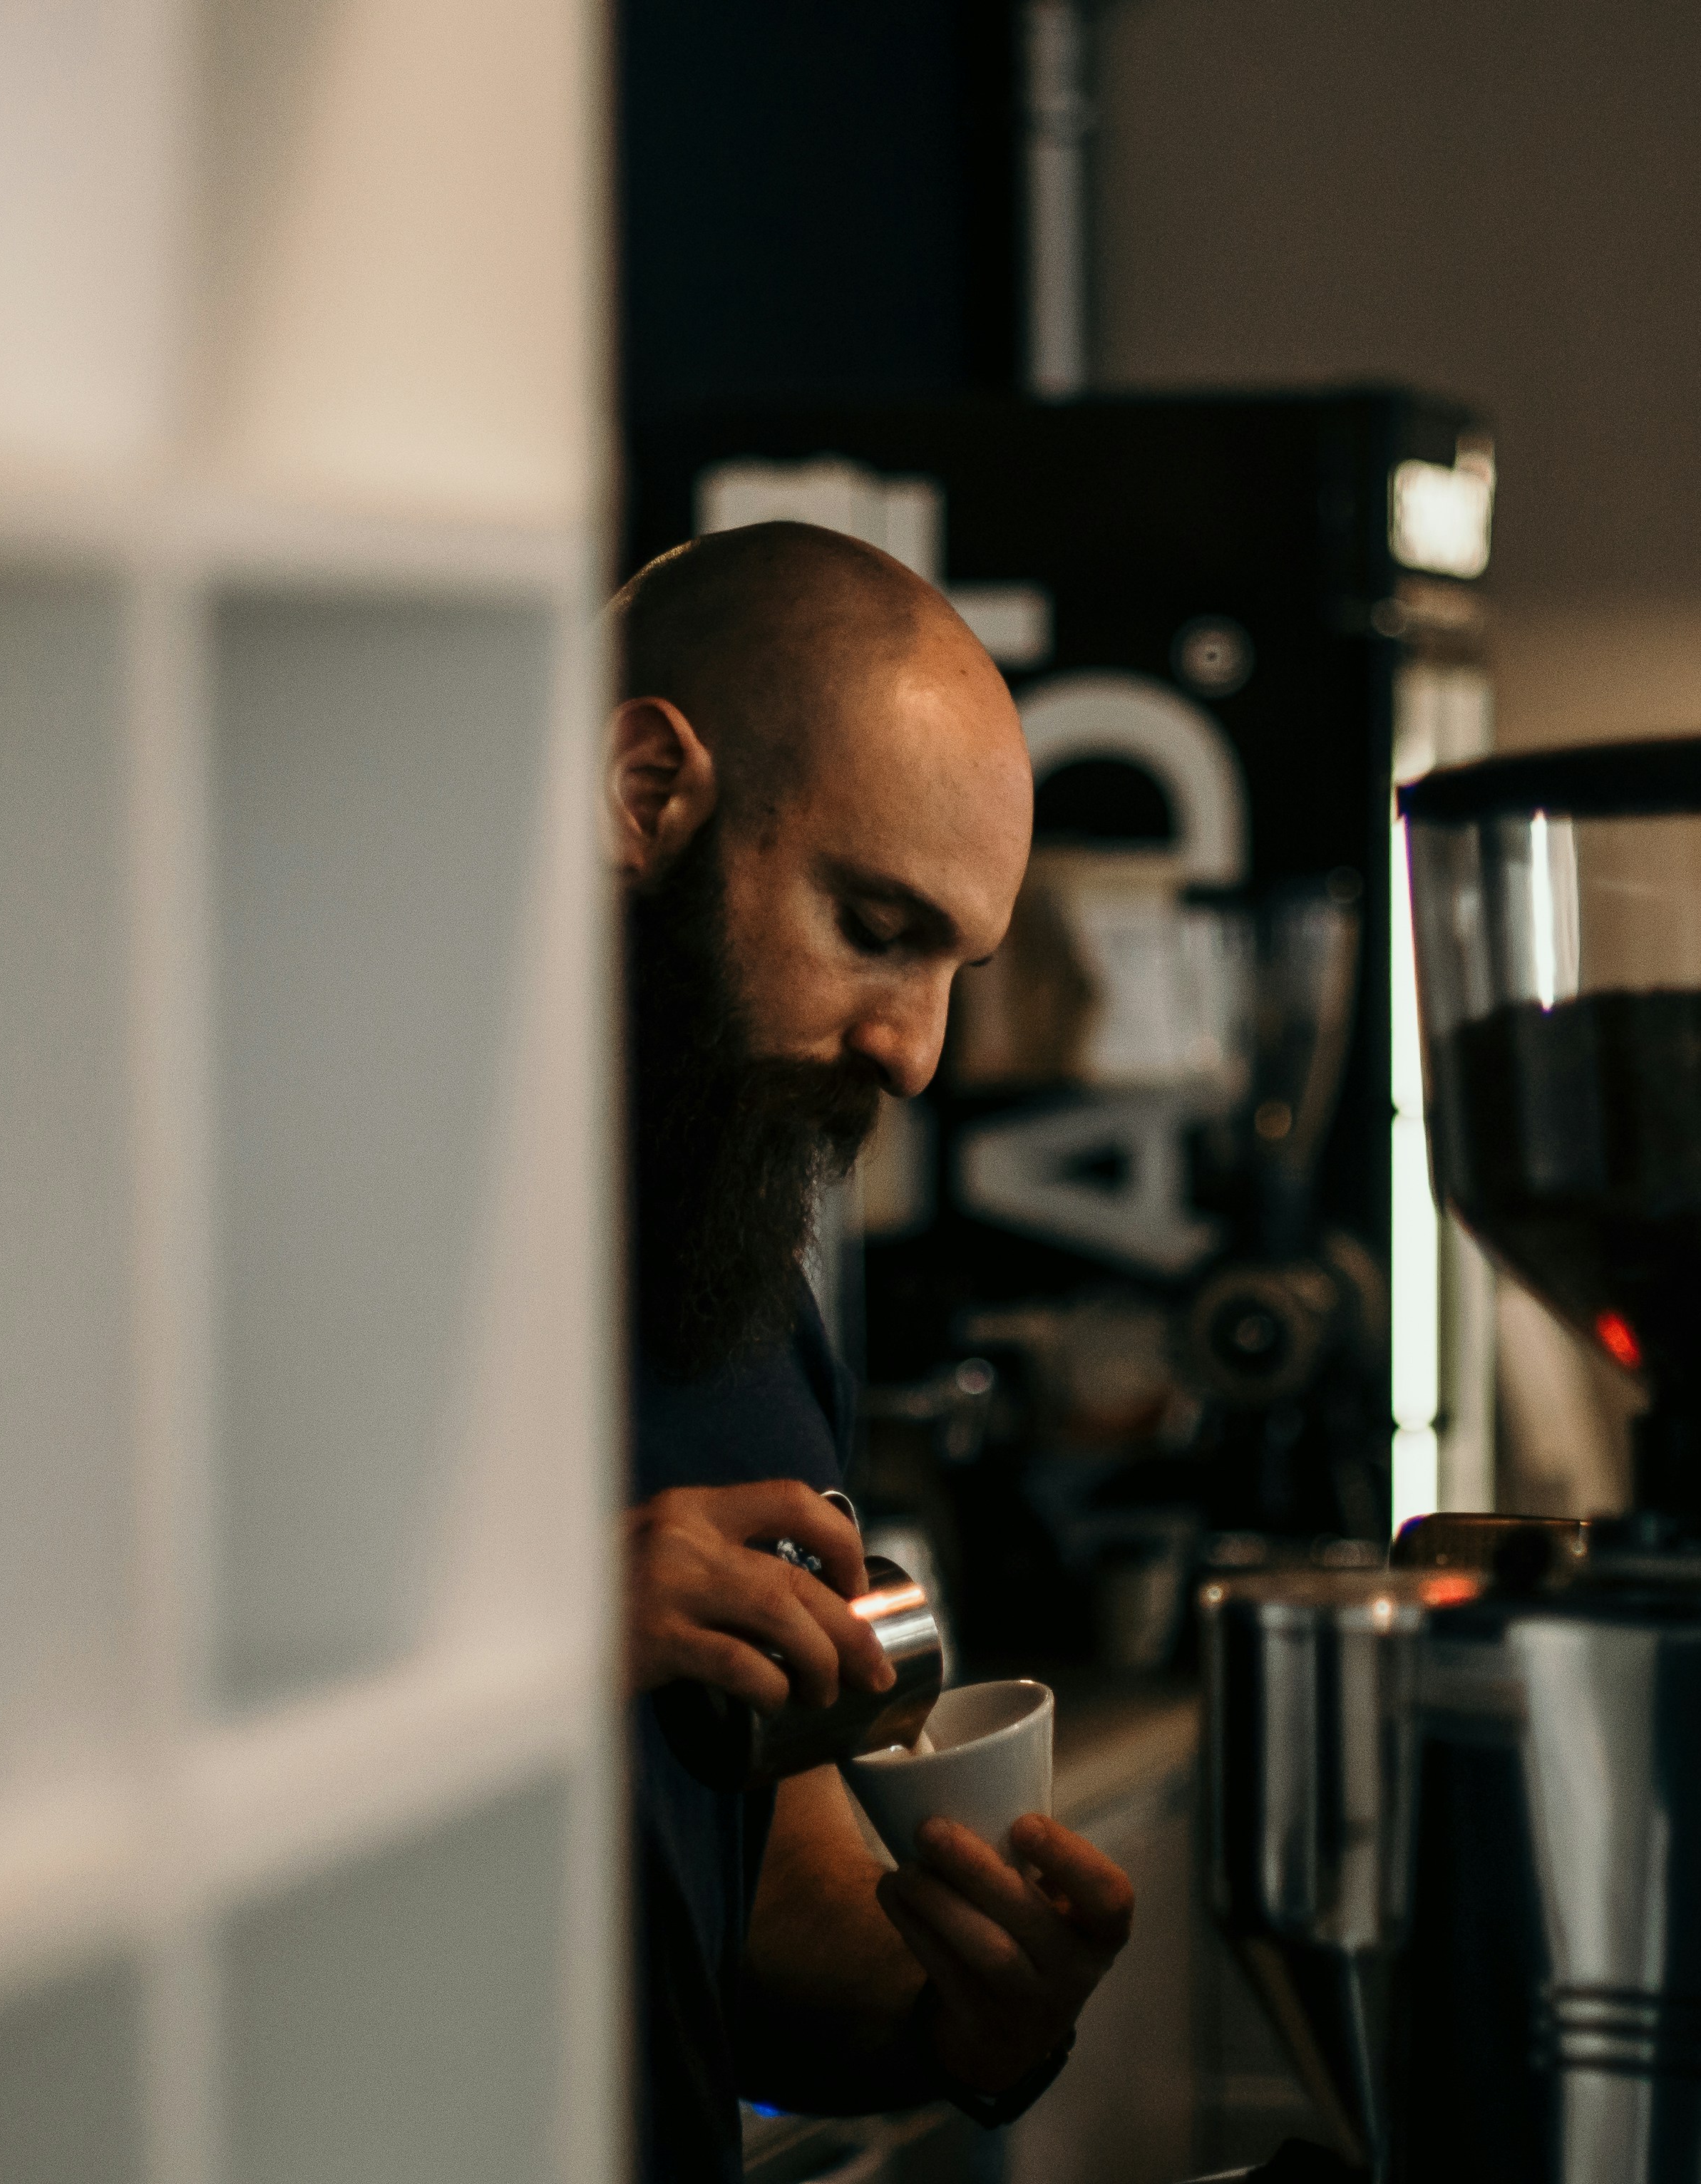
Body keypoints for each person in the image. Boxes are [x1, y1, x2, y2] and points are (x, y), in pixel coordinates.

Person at [609, 521, 1136, 2183]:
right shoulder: (297, 1182)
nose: (913, 1054)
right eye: (874, 923)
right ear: (644, 790)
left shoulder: (735, 1283)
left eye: (953, 967)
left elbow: (758, 1873)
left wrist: (952, 1996)